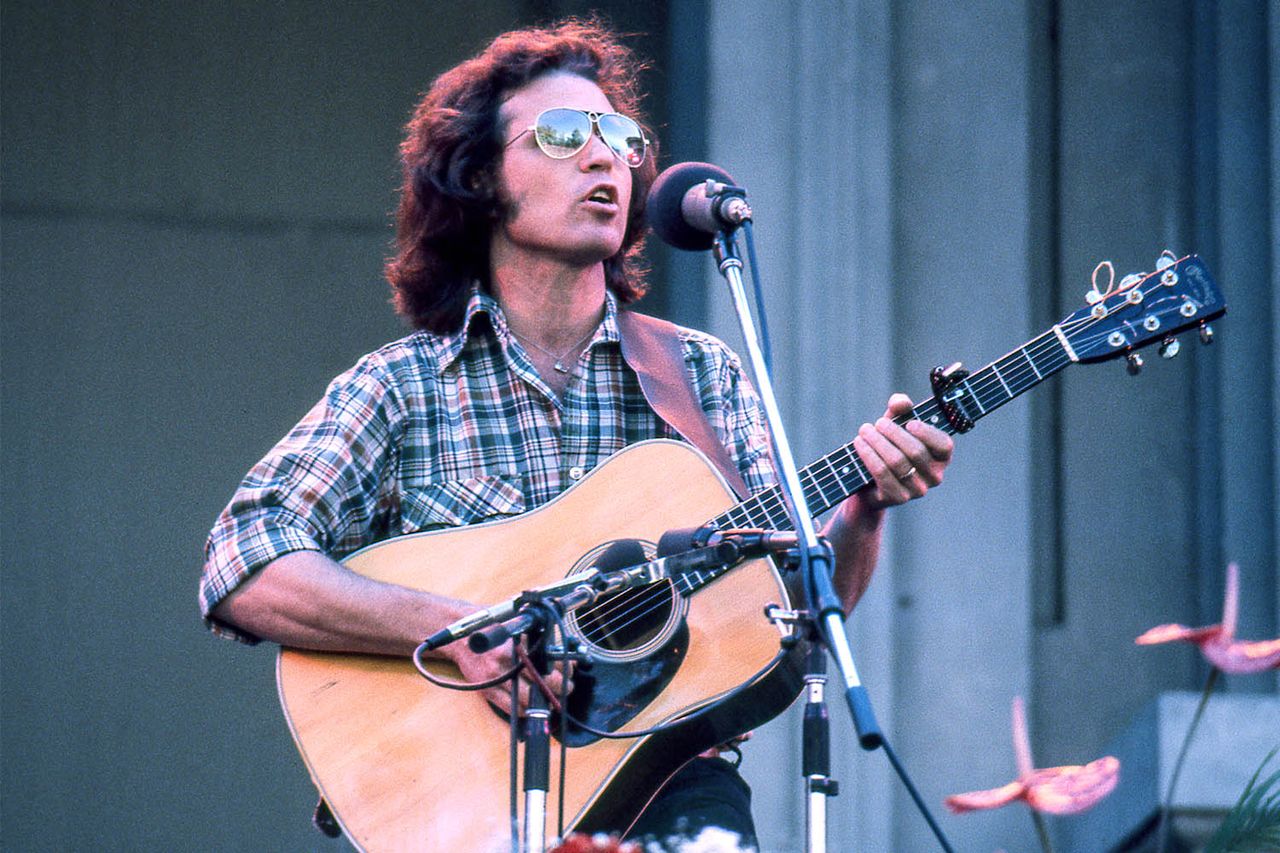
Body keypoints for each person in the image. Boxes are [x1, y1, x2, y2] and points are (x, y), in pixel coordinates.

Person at [199, 18, 954, 849]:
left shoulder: (697, 373)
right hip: (464, 805)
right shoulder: (402, 385)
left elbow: (801, 615)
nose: (604, 159)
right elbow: (244, 560)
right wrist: (455, 631)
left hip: (671, 791)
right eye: (562, 136)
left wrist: (866, 510)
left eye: (619, 137)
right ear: (482, 176)